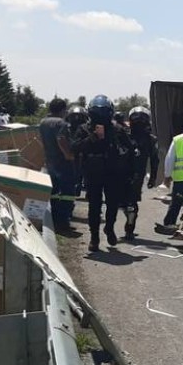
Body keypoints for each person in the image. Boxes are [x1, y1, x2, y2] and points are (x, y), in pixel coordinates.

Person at [73, 95, 134, 252]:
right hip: (93, 173)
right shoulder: (84, 129)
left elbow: (130, 149)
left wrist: (129, 169)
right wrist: (93, 138)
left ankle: (109, 227)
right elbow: (76, 148)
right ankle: (94, 237)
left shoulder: (117, 129)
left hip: (113, 172)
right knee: (94, 206)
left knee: (112, 204)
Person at [39, 98, 76, 231]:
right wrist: (68, 155)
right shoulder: (61, 123)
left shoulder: (43, 123)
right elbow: (61, 139)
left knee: (53, 191)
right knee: (67, 192)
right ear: (62, 110)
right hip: (62, 162)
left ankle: (53, 219)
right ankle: (63, 221)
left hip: (50, 161)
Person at [123, 106, 159, 240]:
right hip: (137, 174)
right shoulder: (150, 139)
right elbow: (155, 160)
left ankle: (124, 226)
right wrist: (153, 178)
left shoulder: (124, 134)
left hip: (122, 173)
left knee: (121, 201)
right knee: (131, 203)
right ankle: (129, 228)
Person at [65, 105, 89, 196]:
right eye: (74, 117)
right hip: (72, 154)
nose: (76, 119)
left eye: (79, 117)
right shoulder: (66, 128)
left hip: (84, 154)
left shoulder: (86, 129)